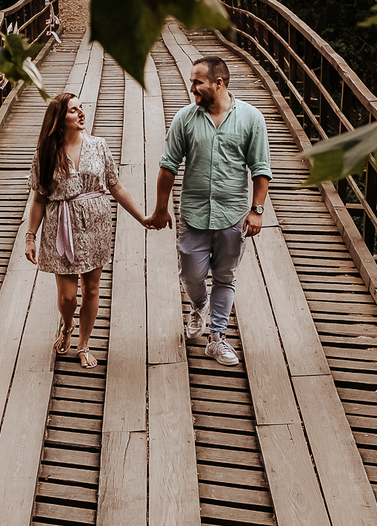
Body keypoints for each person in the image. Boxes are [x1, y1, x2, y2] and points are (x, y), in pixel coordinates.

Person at [147, 56, 271, 366]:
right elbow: (168, 166)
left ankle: (218, 338)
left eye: (197, 82)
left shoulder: (251, 119)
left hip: (233, 214)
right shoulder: (185, 119)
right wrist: (161, 208)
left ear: (219, 83)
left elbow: (261, 168)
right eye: (192, 82)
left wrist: (257, 210)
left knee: (225, 277)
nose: (192, 88)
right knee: (192, 275)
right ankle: (198, 305)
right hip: (194, 213)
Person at [26, 92, 147, 368]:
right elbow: (39, 198)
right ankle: (67, 324)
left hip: (96, 225)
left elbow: (115, 186)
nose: (81, 114)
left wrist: (141, 217)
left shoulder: (98, 145)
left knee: (91, 289)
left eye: (82, 108)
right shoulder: (45, 153)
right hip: (61, 227)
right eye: (73, 110)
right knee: (68, 296)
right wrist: (30, 237)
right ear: (59, 119)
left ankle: (83, 343)